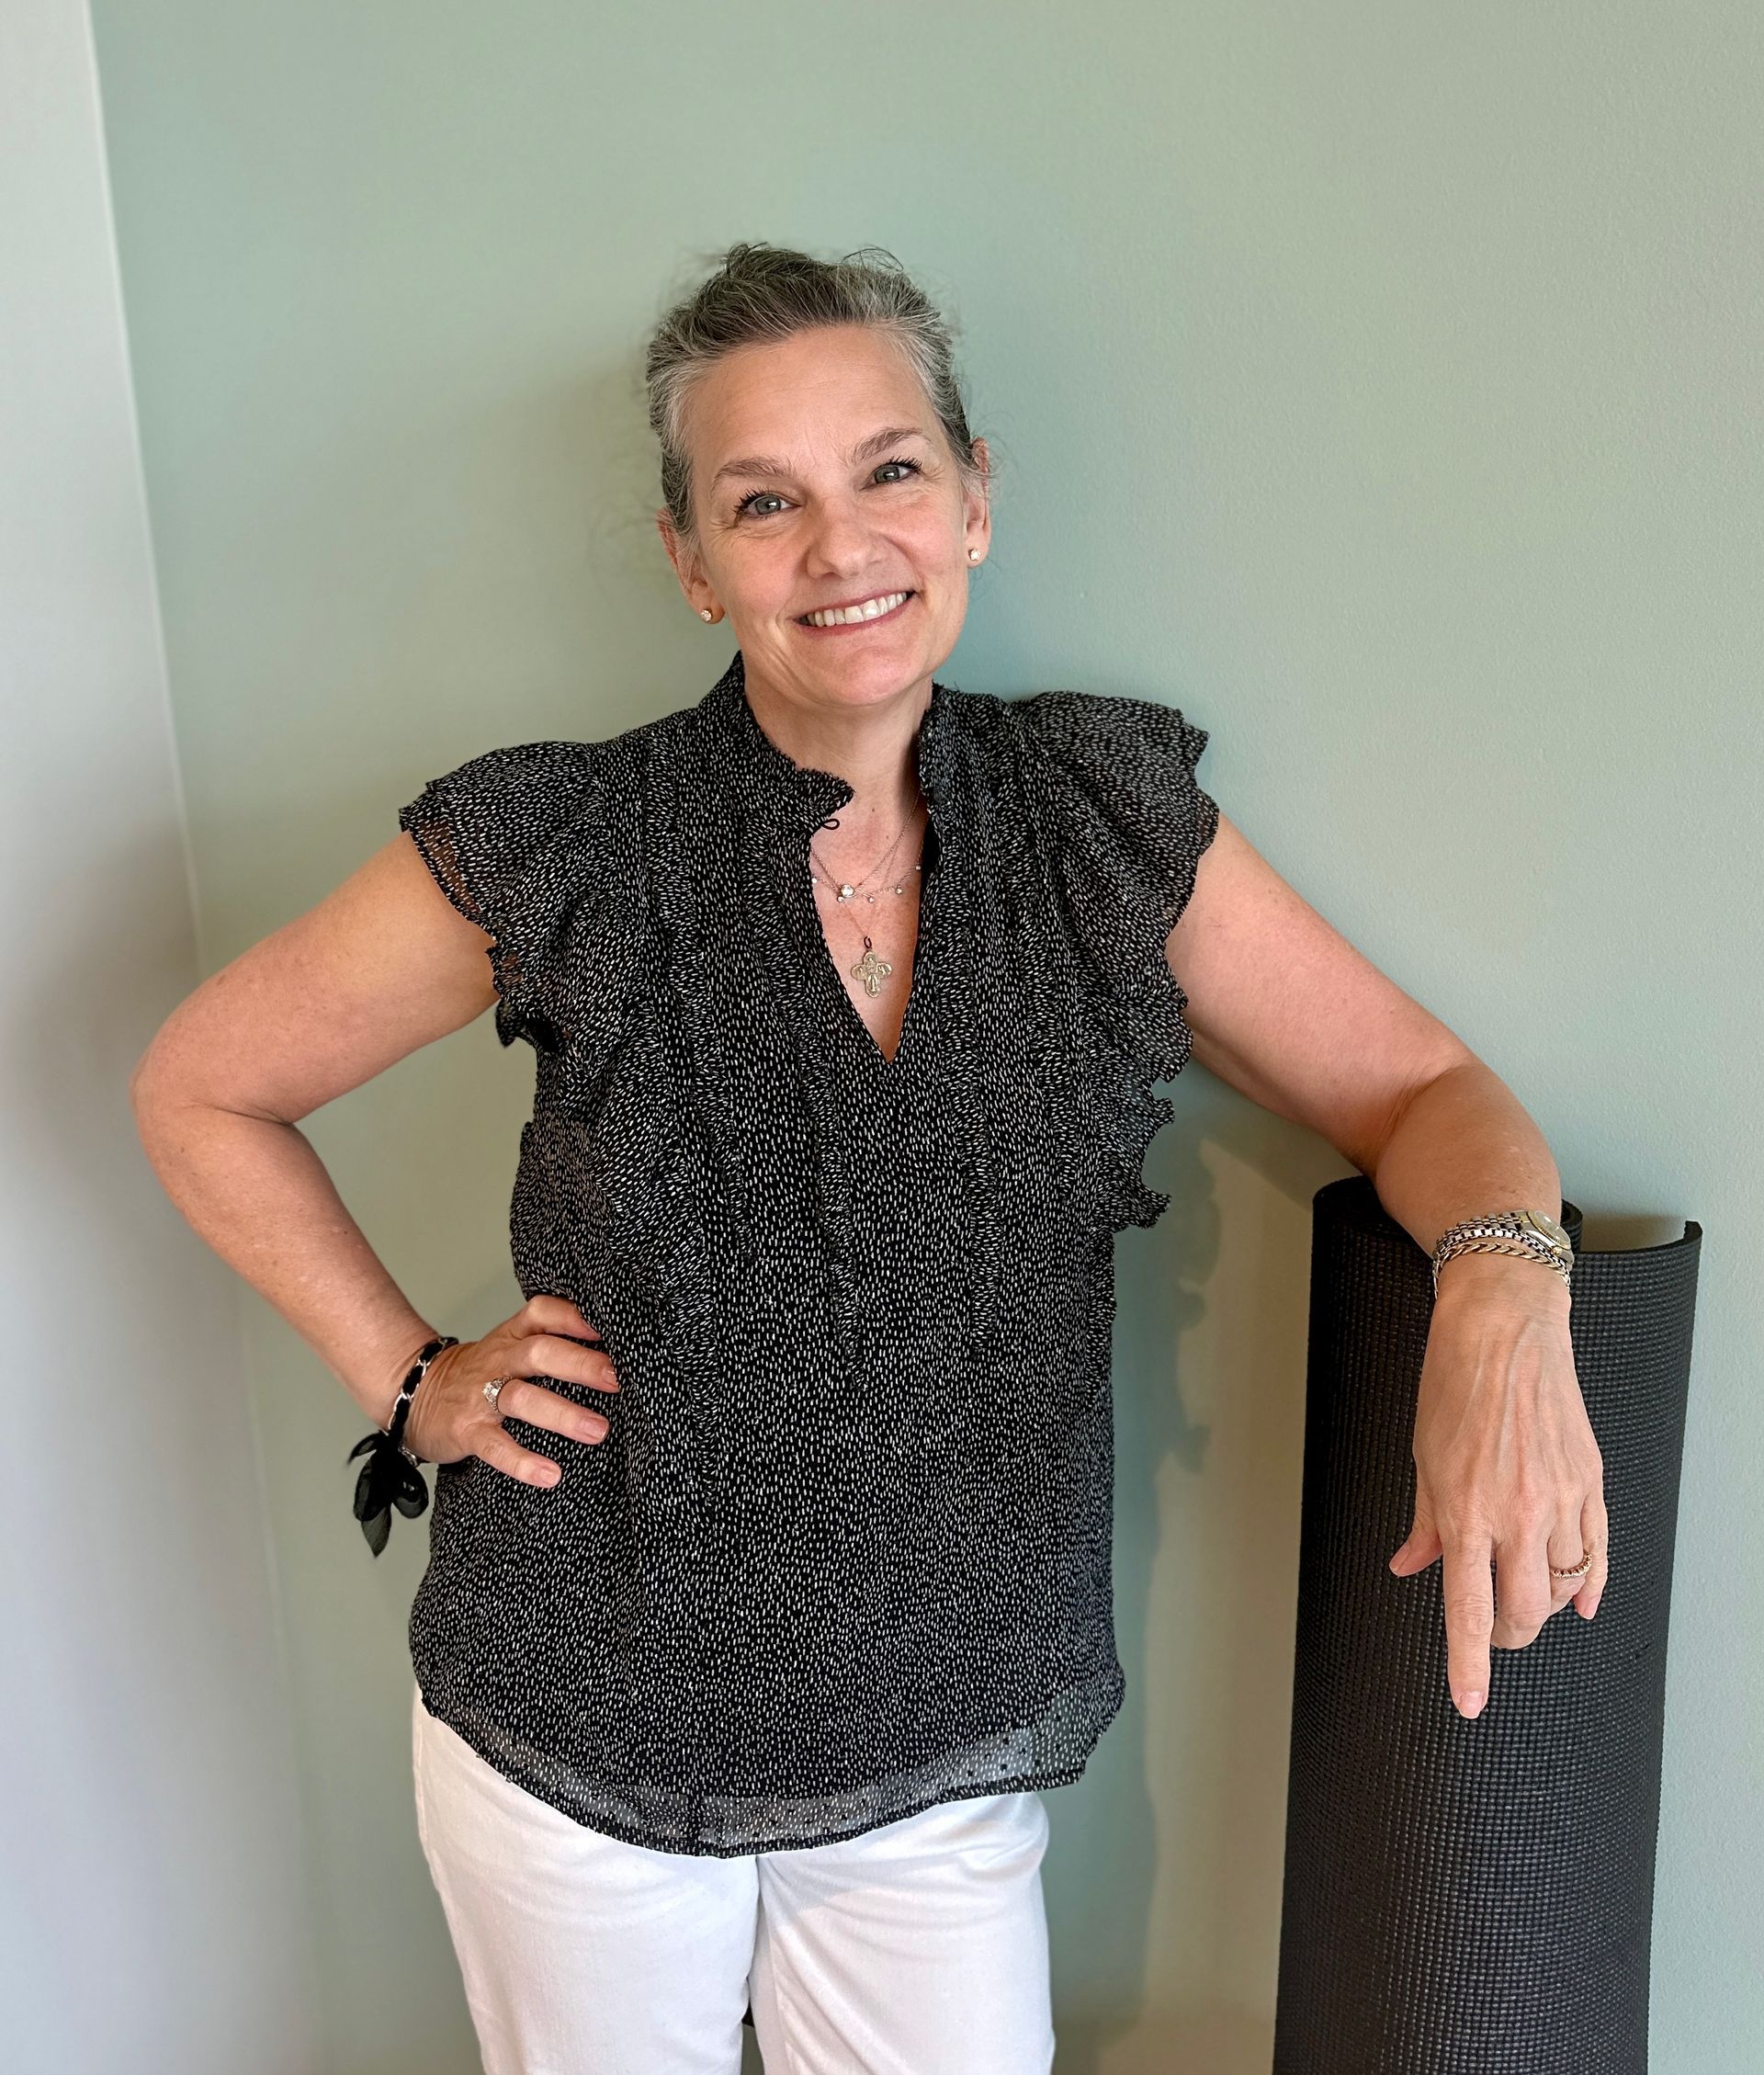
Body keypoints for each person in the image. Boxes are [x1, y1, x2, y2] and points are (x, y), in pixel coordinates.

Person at [130, 241, 1605, 2074]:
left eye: (890, 470)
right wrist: (410, 1372)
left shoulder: (1097, 823)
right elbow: (202, 1086)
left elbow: (1430, 1092)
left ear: (972, 499)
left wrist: (1500, 1293)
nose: (843, 547)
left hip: (939, 1743)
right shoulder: (564, 840)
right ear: (693, 561)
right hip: (581, 1723)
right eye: (766, 501)